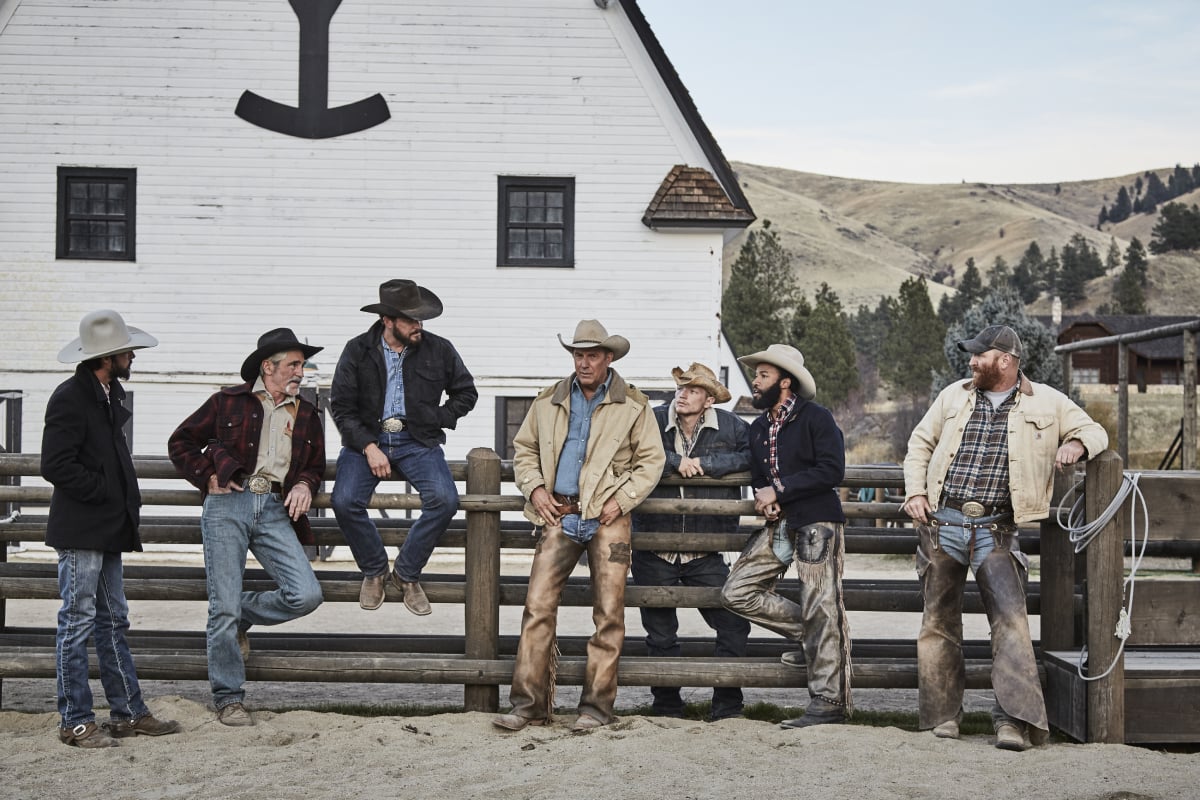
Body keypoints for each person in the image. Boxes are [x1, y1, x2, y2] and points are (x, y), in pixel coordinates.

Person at [901, 324, 1108, 751]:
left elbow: (1096, 431)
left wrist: (1076, 446)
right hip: (944, 524)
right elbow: (920, 443)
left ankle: (1012, 722)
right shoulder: (954, 395)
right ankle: (944, 716)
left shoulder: (1048, 401)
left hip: (998, 529)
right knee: (937, 624)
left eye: (980, 355)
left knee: (1011, 625)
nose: (971, 362)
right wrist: (916, 491)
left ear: (1006, 361)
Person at [493, 320, 665, 732]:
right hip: (560, 512)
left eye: (592, 355)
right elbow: (524, 450)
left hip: (610, 518)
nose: (584, 363)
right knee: (537, 607)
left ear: (608, 358)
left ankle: (596, 710)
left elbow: (651, 462)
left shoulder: (635, 405)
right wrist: (534, 489)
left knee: (608, 613)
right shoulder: (549, 399)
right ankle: (529, 706)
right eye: (578, 355)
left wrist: (620, 501)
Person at [168, 328, 326, 726]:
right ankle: (229, 698)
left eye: (302, 364)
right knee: (220, 608)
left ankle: (235, 612)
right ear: (268, 367)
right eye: (293, 364)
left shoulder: (306, 412)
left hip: (275, 507)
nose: (300, 371)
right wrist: (206, 476)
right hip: (227, 505)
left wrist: (306, 484)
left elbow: (315, 464)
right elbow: (181, 442)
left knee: (305, 595)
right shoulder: (227, 401)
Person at [42, 309, 181, 747]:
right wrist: (105, 492)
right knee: (78, 622)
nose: (133, 356)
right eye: (128, 350)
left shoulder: (105, 393)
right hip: (83, 529)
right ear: (109, 355)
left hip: (105, 528)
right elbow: (55, 465)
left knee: (113, 621)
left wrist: (113, 500)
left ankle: (127, 713)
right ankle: (75, 721)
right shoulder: (71, 397)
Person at [721, 344, 852, 728]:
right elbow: (759, 474)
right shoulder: (758, 428)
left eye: (763, 375)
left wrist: (781, 491)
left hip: (816, 522)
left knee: (820, 603)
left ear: (785, 380)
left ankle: (827, 701)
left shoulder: (817, 418)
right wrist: (767, 498)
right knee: (736, 591)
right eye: (757, 375)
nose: (756, 382)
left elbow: (832, 471)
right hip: (780, 524)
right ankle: (813, 639)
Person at [330, 280, 477, 615]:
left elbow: (466, 393)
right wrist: (368, 445)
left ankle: (407, 573)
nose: (418, 326)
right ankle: (375, 569)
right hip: (367, 440)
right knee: (343, 500)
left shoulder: (439, 349)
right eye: (411, 320)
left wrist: (434, 417)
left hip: (418, 441)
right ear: (388, 320)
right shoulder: (357, 349)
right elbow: (341, 406)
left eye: (420, 319)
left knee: (445, 500)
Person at [631, 363, 751, 721]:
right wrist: (674, 461)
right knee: (660, 633)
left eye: (693, 390)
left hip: (706, 546)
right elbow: (632, 449)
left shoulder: (732, 426)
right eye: (681, 388)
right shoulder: (650, 420)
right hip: (655, 544)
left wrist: (706, 462)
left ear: (709, 399)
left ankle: (727, 705)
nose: (682, 395)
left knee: (733, 623)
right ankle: (667, 706)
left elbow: (750, 457)